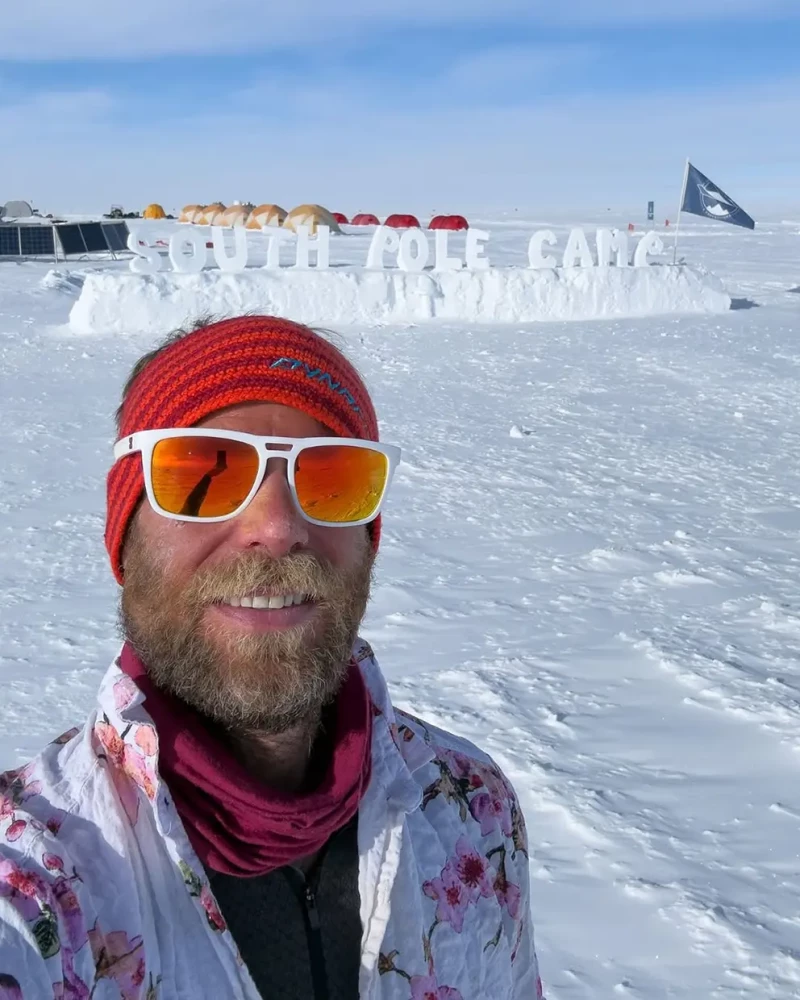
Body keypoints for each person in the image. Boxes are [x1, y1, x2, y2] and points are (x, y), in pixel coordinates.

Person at [0, 315, 544, 999]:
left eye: (333, 478)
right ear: (124, 538)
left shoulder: (471, 810)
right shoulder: (40, 872)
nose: (279, 527)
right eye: (204, 472)